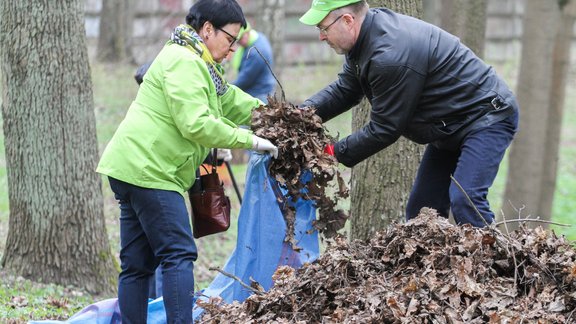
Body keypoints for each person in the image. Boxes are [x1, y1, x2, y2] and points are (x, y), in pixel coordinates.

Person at [96, 0, 277, 322]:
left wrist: (271, 115)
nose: (233, 48)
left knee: (137, 265)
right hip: (149, 171)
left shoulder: (199, 63)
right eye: (230, 39)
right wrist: (250, 139)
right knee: (178, 254)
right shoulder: (185, 61)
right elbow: (196, 123)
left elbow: (227, 99)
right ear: (207, 29)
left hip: (132, 167)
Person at [299, 0, 519, 227]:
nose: (321, 37)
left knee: (466, 200)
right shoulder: (365, 40)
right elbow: (345, 90)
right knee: (423, 211)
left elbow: (384, 129)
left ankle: (495, 261)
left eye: (323, 28)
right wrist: (299, 116)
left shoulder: (389, 55)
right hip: (449, 124)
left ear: (347, 20)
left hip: (486, 116)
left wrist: (330, 152)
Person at [228, 22, 276, 102]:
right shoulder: (258, 37)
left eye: (240, 40)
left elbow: (245, 78)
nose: (239, 43)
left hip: (260, 94)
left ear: (247, 33)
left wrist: (227, 89)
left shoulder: (256, 52)